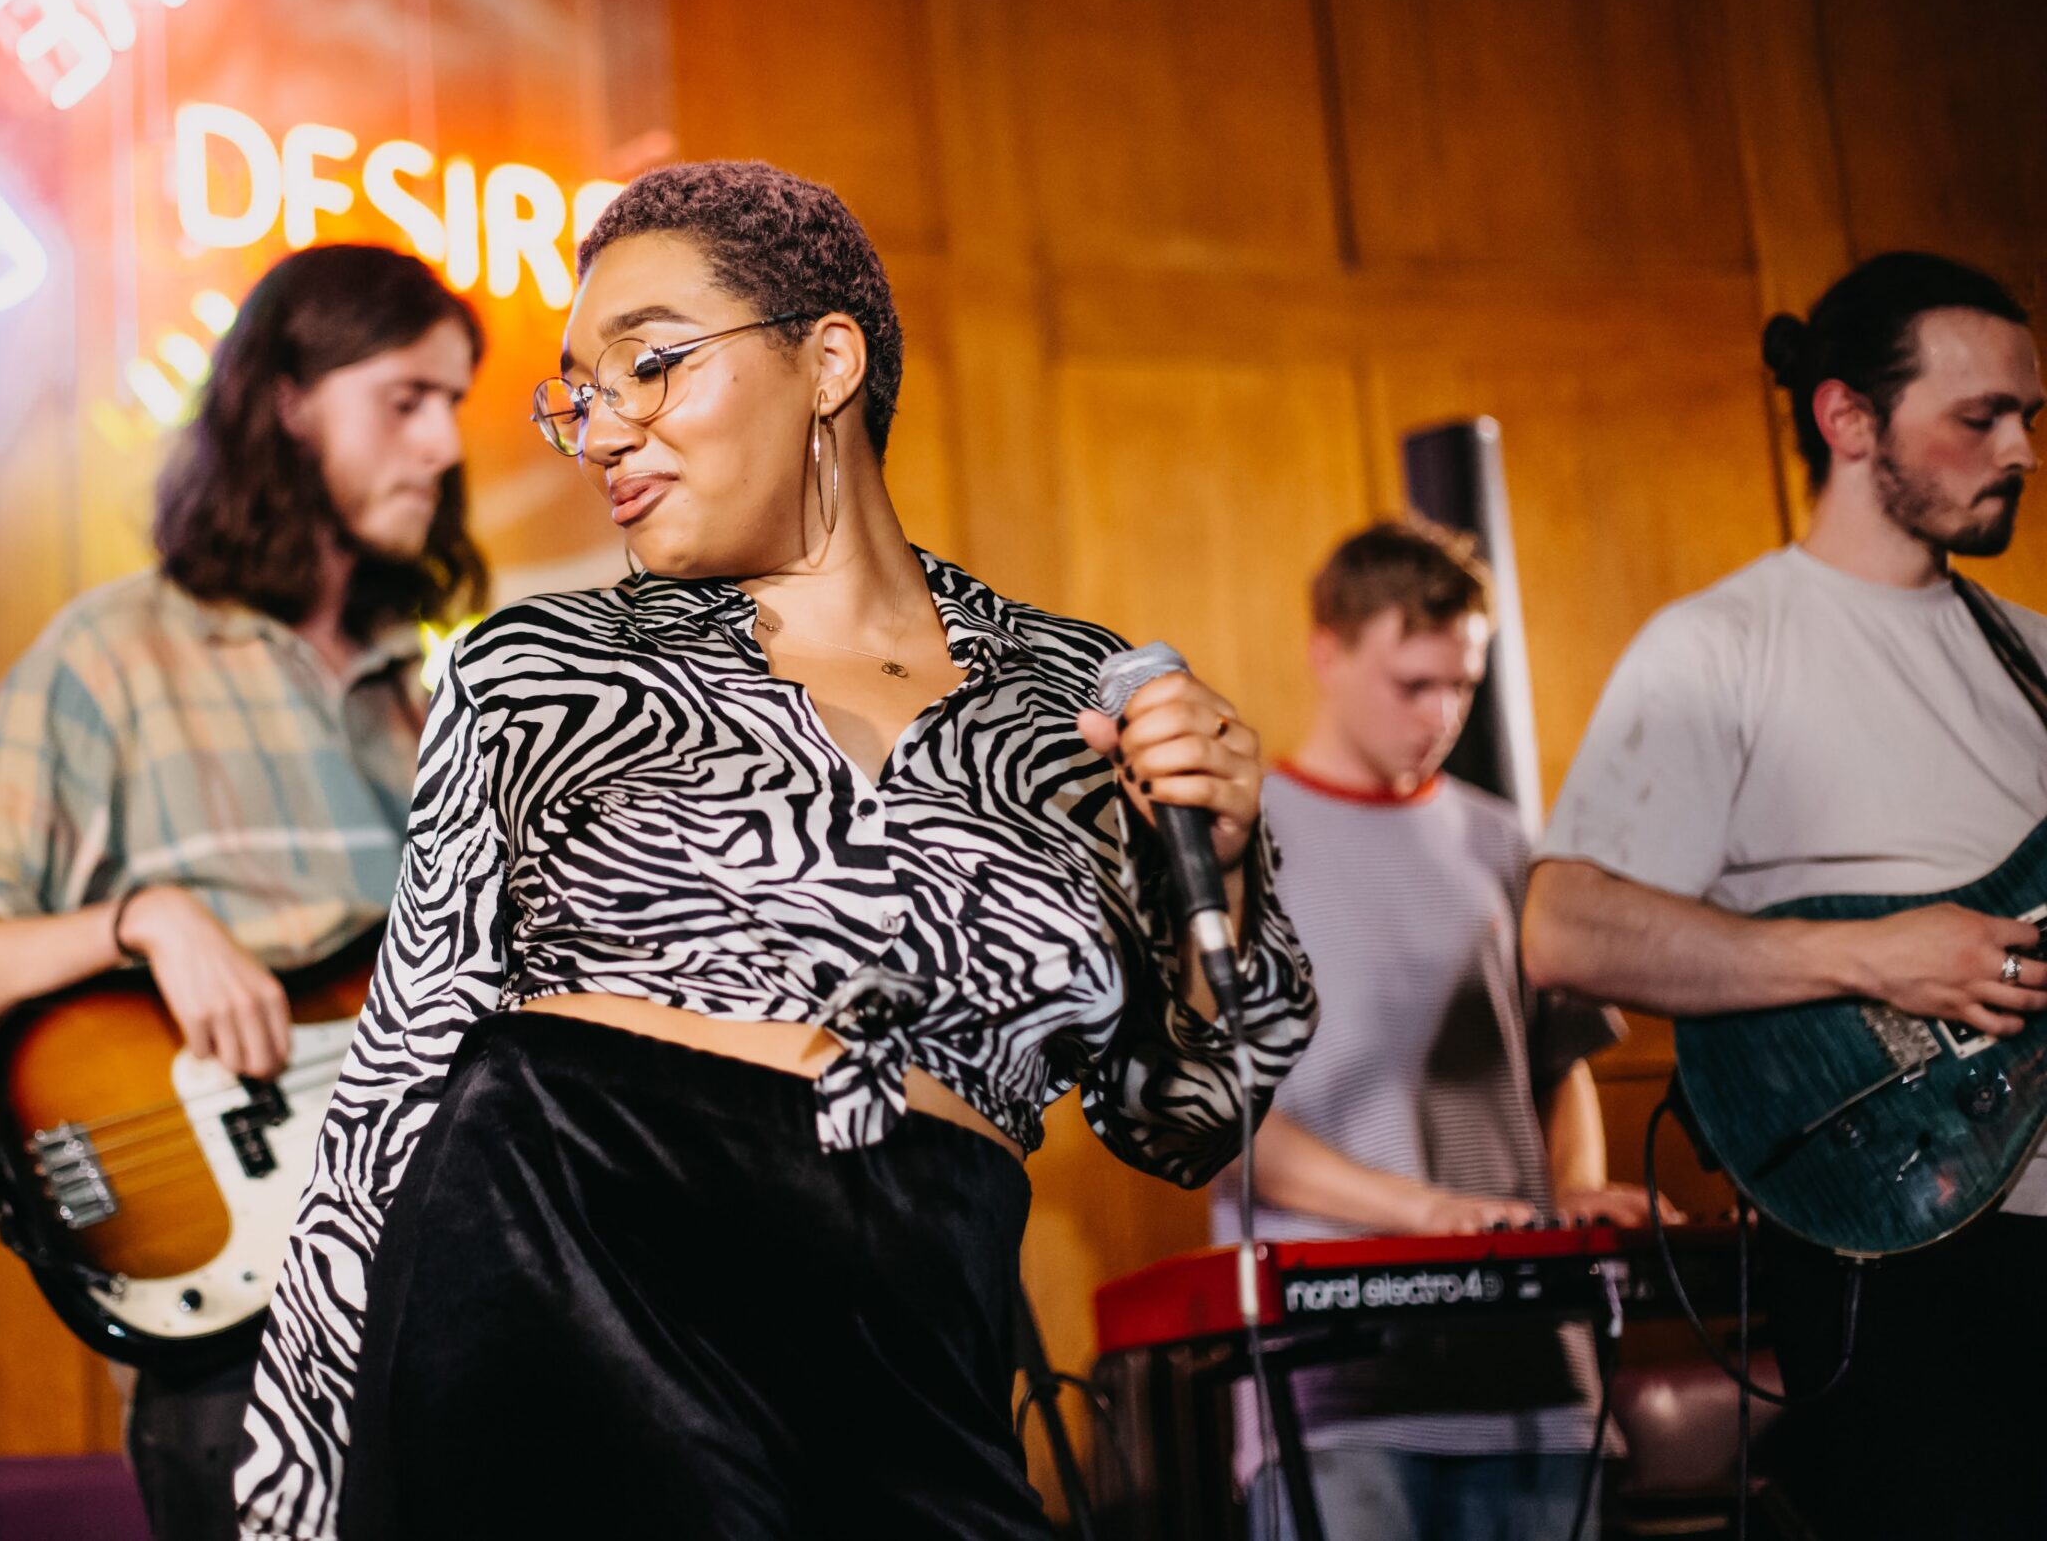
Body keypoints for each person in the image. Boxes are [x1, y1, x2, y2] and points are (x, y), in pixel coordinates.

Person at [231, 160, 1319, 1541]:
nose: (603, 432)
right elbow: (393, 1088)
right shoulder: (540, 667)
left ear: (828, 361)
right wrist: (291, 1507)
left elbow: (1184, 1119)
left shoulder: (1074, 693)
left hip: (920, 1328)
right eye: (581, 395)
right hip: (565, 1252)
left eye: (650, 366)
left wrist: (1223, 862)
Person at [0, 245, 487, 1541]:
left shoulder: (424, 697)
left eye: (453, 403)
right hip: (246, 1345)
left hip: (449, 1296)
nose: (443, 445)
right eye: (405, 400)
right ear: (288, 402)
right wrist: (146, 918)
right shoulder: (111, 653)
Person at [1523, 251, 2047, 1541]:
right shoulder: (1721, 648)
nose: (2020, 450)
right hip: (1908, 1239)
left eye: (2030, 416)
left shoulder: (2032, 653)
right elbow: (1562, 928)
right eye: (1979, 416)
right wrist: (1873, 958)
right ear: (1847, 418)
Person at [1230, 517, 1663, 1541]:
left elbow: (1559, 1059)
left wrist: (1571, 1192)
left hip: (1535, 1374)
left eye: (1461, 685)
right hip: (1340, 1385)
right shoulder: (1239, 840)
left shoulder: (1500, 838)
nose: (1440, 714)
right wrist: (1427, 1211)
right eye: (1412, 684)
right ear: (1327, 651)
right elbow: (1219, 1121)